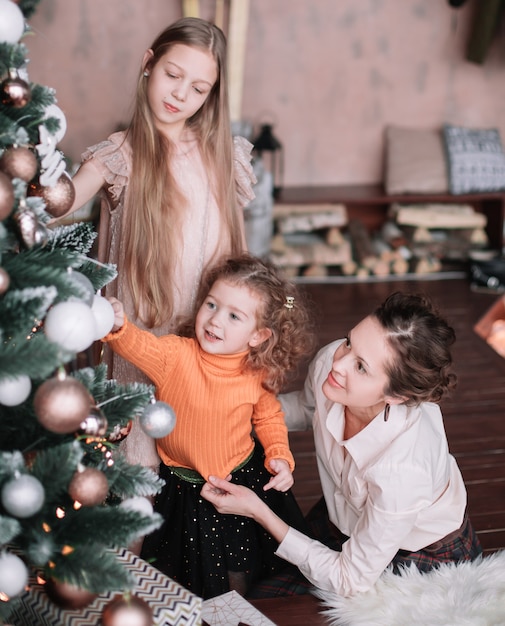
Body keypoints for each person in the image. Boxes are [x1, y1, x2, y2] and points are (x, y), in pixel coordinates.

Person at [55, 17, 256, 469]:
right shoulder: (121, 154)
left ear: (212, 95)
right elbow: (62, 203)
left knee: (199, 451)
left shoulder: (224, 155)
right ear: (149, 64)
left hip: (207, 333)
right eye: (173, 75)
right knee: (139, 457)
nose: (181, 95)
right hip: (142, 337)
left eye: (199, 88)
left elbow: (238, 257)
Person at [201, 291, 483, 598]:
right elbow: (308, 409)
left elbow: (350, 579)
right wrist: (232, 410)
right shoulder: (332, 362)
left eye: (361, 367)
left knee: (263, 600)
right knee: (255, 567)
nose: (340, 363)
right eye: (349, 341)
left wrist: (260, 512)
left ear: (396, 396)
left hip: (418, 553)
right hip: (345, 518)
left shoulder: (403, 470)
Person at [101, 254, 316, 599]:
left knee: (241, 562)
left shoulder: (254, 372)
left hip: (242, 479)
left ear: (258, 336)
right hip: (187, 488)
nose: (216, 320)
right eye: (212, 305)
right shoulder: (176, 355)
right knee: (188, 570)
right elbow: (141, 346)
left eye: (234, 316)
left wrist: (278, 453)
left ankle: (241, 608)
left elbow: (268, 416)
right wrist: (118, 326)